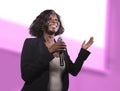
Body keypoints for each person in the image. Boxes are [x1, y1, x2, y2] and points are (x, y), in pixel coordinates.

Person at [20, 9, 94, 91]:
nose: (54, 21)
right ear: (41, 24)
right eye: (49, 19)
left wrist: (83, 51)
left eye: (56, 20)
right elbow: (26, 75)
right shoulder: (31, 43)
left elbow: (74, 71)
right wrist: (49, 52)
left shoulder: (61, 48)